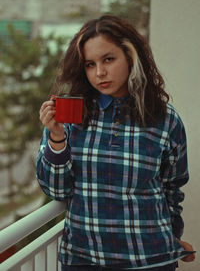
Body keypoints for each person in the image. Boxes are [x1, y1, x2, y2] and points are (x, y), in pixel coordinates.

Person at [36, 15, 195, 271]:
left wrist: (174, 237)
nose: (99, 72)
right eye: (90, 64)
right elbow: (56, 191)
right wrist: (56, 137)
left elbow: (173, 189)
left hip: (150, 260)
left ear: (130, 57)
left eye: (108, 59)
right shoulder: (70, 115)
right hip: (83, 259)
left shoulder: (166, 120)